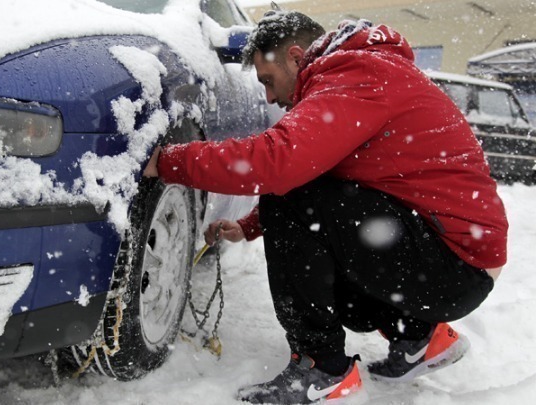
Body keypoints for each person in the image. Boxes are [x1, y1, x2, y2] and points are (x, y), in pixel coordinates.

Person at [144, 9, 508, 405]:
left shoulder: (355, 74)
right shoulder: (363, 72)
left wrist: (167, 161)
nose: (269, 96)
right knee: (298, 198)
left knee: (286, 192)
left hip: (452, 263)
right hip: (454, 256)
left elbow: (277, 165)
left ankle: (323, 368)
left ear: (297, 58)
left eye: (268, 80)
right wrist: (250, 225)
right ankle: (419, 337)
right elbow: (326, 174)